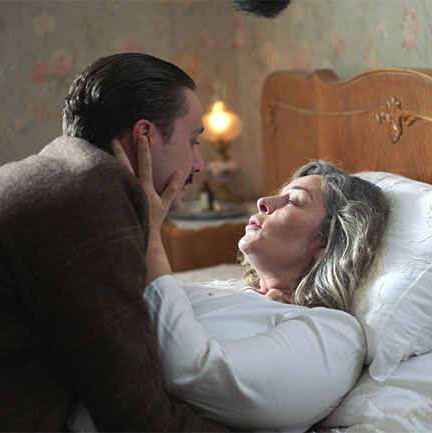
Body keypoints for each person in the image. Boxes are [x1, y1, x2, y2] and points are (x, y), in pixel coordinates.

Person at [0, 53, 225, 432]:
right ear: (145, 136)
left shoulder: (68, 173)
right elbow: (135, 413)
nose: (199, 164)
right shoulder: (89, 196)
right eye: (193, 141)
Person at [80, 142, 390, 432]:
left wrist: (149, 233)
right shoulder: (231, 290)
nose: (263, 202)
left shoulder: (335, 334)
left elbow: (194, 371)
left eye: (292, 201)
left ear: (327, 242)